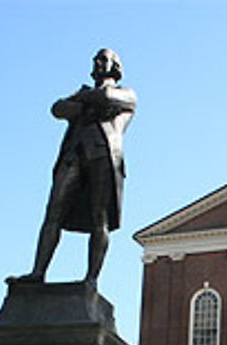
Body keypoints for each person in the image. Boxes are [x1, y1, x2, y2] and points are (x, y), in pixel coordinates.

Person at [16, 48, 137, 287]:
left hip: (103, 154)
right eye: (96, 59)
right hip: (73, 155)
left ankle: (91, 279)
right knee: (53, 213)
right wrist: (88, 99)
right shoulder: (85, 94)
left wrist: (84, 100)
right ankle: (37, 273)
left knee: (99, 219)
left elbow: (108, 98)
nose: (97, 63)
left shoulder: (126, 93)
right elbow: (58, 108)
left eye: (103, 59)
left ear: (115, 66)